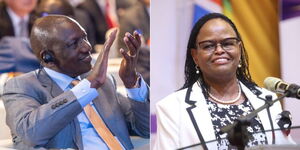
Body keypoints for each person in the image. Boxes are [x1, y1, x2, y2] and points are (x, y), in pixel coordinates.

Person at [2, 15, 149, 150]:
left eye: (84, 38)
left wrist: (132, 83)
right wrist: (88, 87)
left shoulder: (104, 82)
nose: (87, 47)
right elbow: (31, 133)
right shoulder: (22, 86)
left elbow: (148, 129)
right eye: (74, 44)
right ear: (48, 57)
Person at [153, 13, 293, 150]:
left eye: (227, 43)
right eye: (208, 46)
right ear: (195, 56)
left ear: (239, 49)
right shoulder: (172, 108)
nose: (219, 50)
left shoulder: (267, 101)